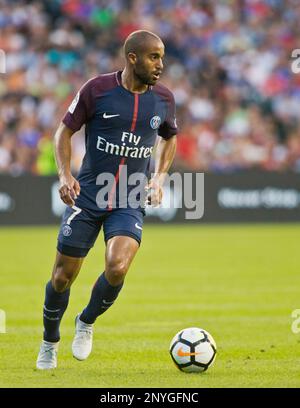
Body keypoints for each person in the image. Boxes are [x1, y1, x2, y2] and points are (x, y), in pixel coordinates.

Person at [36, 30, 177, 369]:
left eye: (162, 57)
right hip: (87, 196)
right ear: (132, 58)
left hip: (129, 198)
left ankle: (85, 322)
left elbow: (170, 137)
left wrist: (158, 177)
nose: (161, 64)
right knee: (61, 277)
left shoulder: (164, 99)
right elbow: (64, 131)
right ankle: (49, 341)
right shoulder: (97, 90)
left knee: (117, 267)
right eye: (154, 57)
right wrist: (65, 174)